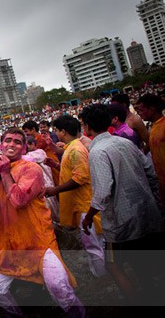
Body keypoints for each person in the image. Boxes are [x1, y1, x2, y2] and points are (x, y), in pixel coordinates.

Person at [0, 127, 83, 317]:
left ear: (24, 149)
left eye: (18, 142)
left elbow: (18, 200)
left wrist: (5, 172)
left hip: (38, 240)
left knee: (60, 288)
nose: (11, 144)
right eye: (8, 140)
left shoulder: (30, 169)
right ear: (0, 145)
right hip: (7, 245)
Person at [80, 104, 165, 305]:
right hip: (147, 212)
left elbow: (101, 193)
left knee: (113, 265)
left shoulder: (97, 151)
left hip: (122, 220)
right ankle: (153, 295)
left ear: (88, 128)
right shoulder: (124, 142)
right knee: (144, 264)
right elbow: (151, 174)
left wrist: (90, 216)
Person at [45, 115, 106, 277]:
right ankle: (101, 271)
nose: (56, 133)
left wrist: (55, 190)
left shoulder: (76, 150)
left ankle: (102, 275)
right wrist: (56, 165)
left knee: (93, 244)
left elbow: (81, 177)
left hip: (85, 205)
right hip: (81, 205)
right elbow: (72, 169)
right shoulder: (71, 147)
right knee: (92, 243)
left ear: (63, 131)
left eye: (57, 130)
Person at [135, 93, 165, 209]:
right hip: (162, 181)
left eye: (142, 110)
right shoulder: (153, 127)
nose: (139, 113)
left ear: (152, 109)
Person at [22, 120, 61, 185]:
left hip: (50, 161)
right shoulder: (35, 139)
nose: (26, 134)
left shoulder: (41, 138)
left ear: (33, 129)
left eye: (26, 131)